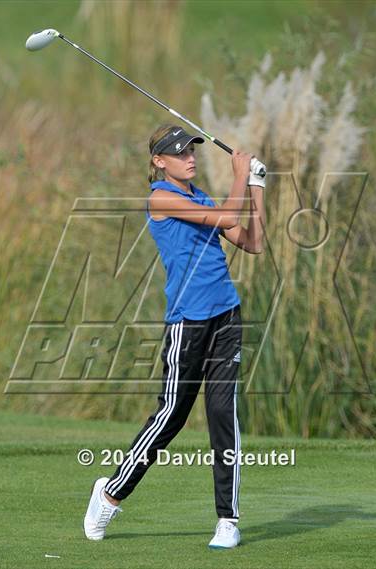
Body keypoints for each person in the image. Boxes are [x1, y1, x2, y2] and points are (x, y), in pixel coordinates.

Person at [83, 124, 266, 549]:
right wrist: (240, 172)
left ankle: (228, 519)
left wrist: (256, 185)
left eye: (193, 151)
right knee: (171, 415)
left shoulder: (200, 196)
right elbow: (228, 217)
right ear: (159, 161)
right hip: (188, 321)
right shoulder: (161, 199)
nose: (190, 157)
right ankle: (110, 493)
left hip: (226, 316)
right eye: (180, 152)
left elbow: (252, 242)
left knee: (224, 415)